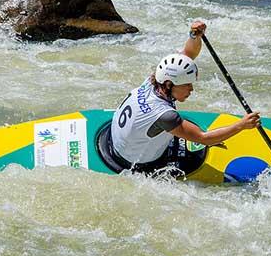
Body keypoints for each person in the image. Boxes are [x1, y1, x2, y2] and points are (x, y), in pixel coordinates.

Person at [110, 21, 261, 171]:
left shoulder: (153, 80)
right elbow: (204, 138)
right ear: (169, 84)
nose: (191, 89)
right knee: (192, 134)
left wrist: (194, 36)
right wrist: (241, 125)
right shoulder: (166, 116)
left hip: (116, 140)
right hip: (134, 161)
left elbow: (188, 55)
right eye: (187, 85)